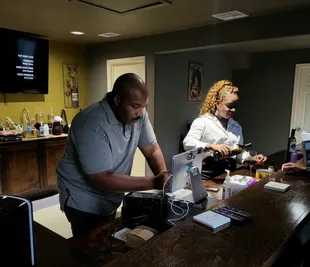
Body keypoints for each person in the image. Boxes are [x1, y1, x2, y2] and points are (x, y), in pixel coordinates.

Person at [56, 73, 169, 237]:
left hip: (110, 196)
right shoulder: (91, 123)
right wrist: (154, 181)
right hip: (82, 198)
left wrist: (164, 178)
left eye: (144, 106)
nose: (140, 112)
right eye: (136, 106)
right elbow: (103, 178)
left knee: (110, 240)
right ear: (117, 100)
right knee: (89, 249)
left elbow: (152, 150)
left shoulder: (139, 115)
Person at [183, 80, 267, 172]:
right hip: (207, 174)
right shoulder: (203, 122)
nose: (233, 110)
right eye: (230, 106)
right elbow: (188, 143)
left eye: (235, 106)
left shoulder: (236, 126)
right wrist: (211, 146)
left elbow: (239, 153)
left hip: (229, 174)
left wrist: (252, 158)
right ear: (217, 103)